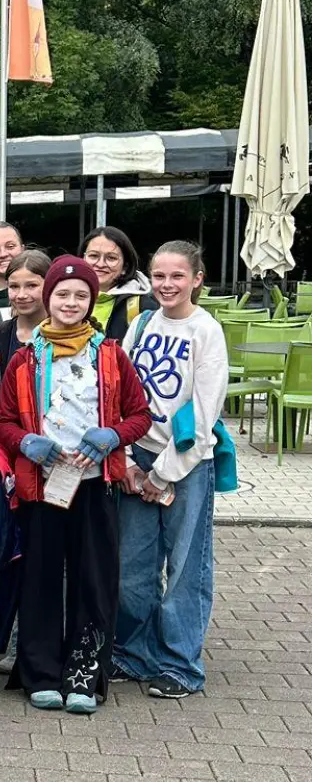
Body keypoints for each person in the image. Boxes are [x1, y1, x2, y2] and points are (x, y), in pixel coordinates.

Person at [0, 255, 151, 714]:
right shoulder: (25, 359)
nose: (70, 302)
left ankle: (84, 673)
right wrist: (25, 442)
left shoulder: (111, 355)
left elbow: (139, 415)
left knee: (93, 580)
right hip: (43, 485)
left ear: (92, 301)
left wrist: (114, 436)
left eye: (81, 295)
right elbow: (2, 420)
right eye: (62, 294)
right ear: (48, 300)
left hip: (93, 483)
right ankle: (40, 671)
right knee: (40, 579)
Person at [115, 241, 227, 699]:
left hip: (185, 464)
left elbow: (204, 413)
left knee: (185, 565)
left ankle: (180, 662)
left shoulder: (206, 331)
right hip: (136, 455)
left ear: (196, 279)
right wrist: (122, 458)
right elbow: (116, 389)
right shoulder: (140, 323)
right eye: (158, 276)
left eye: (177, 276)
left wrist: (163, 473)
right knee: (132, 565)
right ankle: (134, 652)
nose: (166, 285)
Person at [80, 226, 157, 341]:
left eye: (111, 258)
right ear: (82, 258)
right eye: (94, 256)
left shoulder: (144, 308)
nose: (100, 264)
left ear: (125, 267)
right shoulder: (63, 299)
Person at [0, 250, 52, 379]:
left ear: (50, 285)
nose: (21, 295)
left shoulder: (66, 333)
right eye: (14, 286)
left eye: (32, 285)